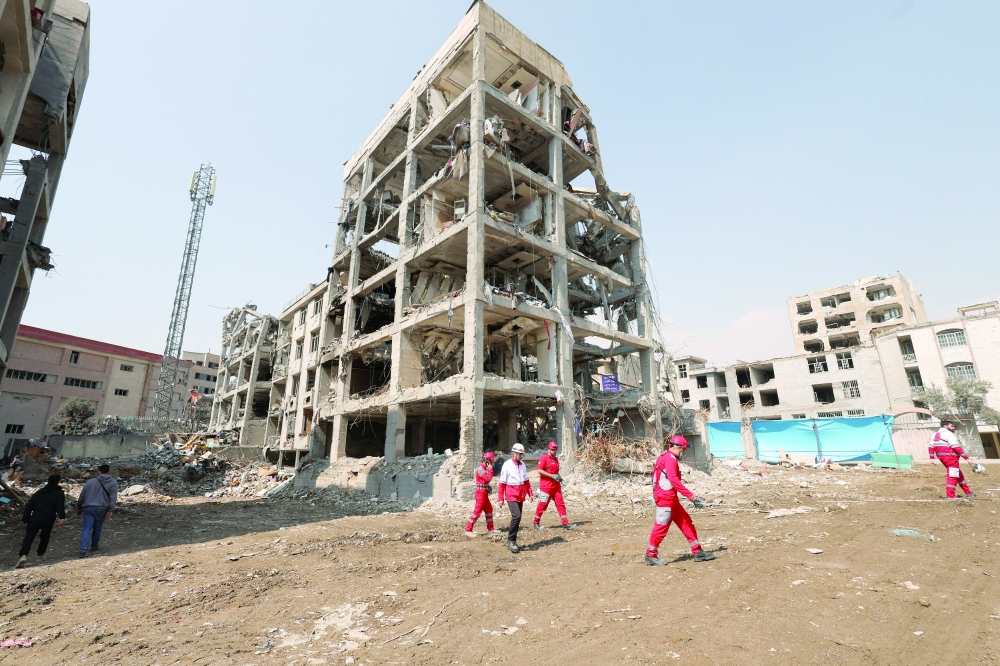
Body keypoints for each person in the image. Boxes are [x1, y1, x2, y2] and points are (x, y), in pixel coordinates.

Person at [645, 435, 714, 566]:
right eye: (684, 450)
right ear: (678, 448)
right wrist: (690, 495)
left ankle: (697, 551)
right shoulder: (670, 459)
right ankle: (650, 555)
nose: (684, 452)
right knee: (661, 527)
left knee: (686, 522)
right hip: (666, 499)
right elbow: (673, 479)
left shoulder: (664, 457)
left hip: (669, 498)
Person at [17, 474, 66, 568]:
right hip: (48, 518)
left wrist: (25, 518)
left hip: (35, 517)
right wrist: (62, 517)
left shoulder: (39, 492)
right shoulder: (59, 493)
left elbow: (29, 506)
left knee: (29, 537)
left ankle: (23, 555)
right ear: (58, 481)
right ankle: (40, 555)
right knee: (45, 536)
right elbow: (59, 506)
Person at [497, 443, 533, 553]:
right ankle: (511, 540)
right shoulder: (507, 465)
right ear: (514, 453)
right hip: (511, 495)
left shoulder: (522, 465)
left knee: (518, 518)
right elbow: (502, 483)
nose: (521, 456)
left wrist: (530, 493)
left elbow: (526, 481)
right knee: (516, 516)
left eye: (522, 454)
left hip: (520, 495)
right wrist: (500, 498)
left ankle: (513, 540)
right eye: (519, 454)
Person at [76, 463, 118, 558]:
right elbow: (113, 498)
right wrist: (111, 509)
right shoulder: (113, 482)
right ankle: (94, 546)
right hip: (102, 508)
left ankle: (83, 550)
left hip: (88, 508)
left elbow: (82, 496)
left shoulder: (90, 482)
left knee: (87, 528)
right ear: (108, 471)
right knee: (97, 528)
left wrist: (79, 507)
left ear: (99, 471)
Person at [928, 420, 976, 499]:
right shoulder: (949, 434)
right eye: (952, 426)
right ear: (945, 426)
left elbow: (931, 447)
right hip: (951, 458)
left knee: (959, 475)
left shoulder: (934, 434)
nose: (954, 427)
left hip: (943, 458)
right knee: (953, 476)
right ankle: (950, 496)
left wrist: (932, 458)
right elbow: (955, 447)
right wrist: (966, 457)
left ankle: (969, 493)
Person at [533, 441, 575, 530]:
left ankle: (565, 524)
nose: (553, 452)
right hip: (546, 487)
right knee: (543, 504)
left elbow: (556, 472)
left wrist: (561, 479)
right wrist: (551, 476)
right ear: (549, 449)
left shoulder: (555, 459)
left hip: (556, 486)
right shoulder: (543, 458)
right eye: (552, 450)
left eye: (555, 450)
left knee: (561, 504)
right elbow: (539, 471)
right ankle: (536, 522)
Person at [466, 452, 496, 535]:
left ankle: (491, 528)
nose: (492, 464)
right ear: (488, 461)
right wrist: (490, 470)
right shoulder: (481, 469)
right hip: (481, 493)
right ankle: (468, 530)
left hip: (484, 493)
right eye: (491, 462)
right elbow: (488, 479)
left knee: (489, 510)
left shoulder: (483, 468)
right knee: (477, 512)